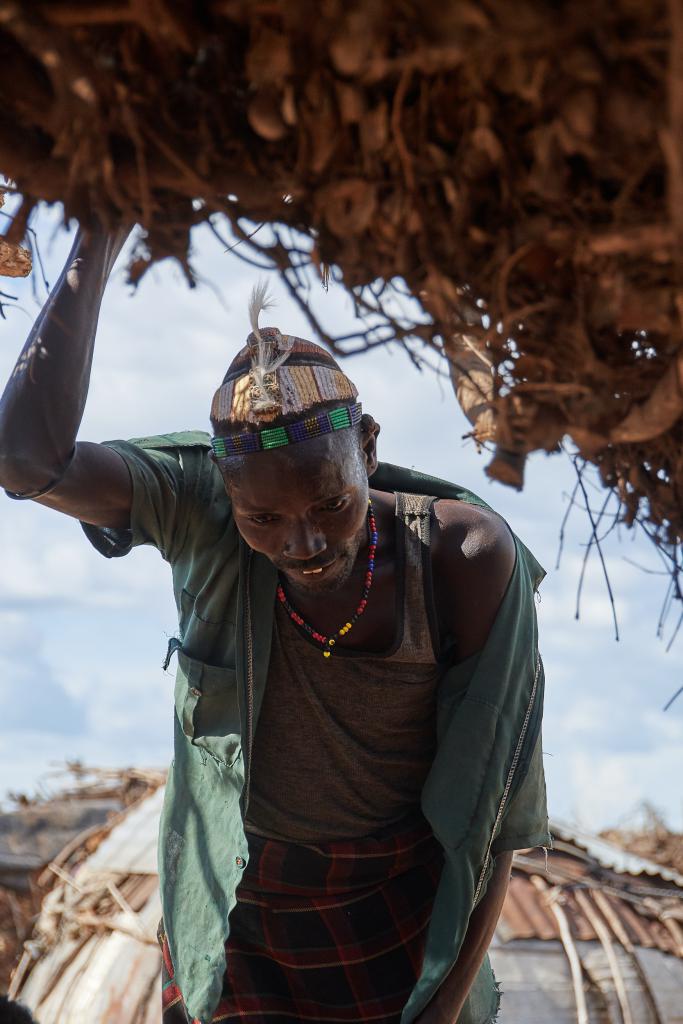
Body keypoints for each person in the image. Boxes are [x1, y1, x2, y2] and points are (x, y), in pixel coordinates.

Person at [0, 225, 550, 1024]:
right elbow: (23, 460)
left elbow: (497, 813)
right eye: (262, 518)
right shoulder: (197, 507)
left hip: (404, 911)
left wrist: (438, 1010)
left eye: (331, 504)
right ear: (224, 491)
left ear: (366, 446)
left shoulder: (461, 555)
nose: (304, 543)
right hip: (237, 913)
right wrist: (98, 232)